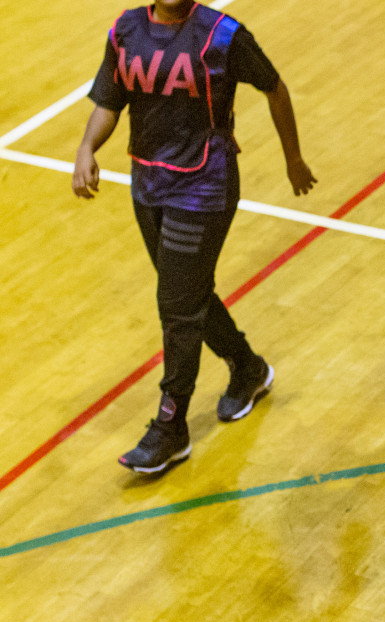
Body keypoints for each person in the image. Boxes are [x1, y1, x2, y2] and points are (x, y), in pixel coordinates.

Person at [73, 0, 316, 474]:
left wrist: (293, 159)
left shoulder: (223, 36)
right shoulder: (126, 30)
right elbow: (110, 99)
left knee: (176, 305)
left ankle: (171, 426)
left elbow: (275, 87)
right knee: (188, 294)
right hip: (147, 185)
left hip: (205, 186)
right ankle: (247, 367)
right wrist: (86, 148)